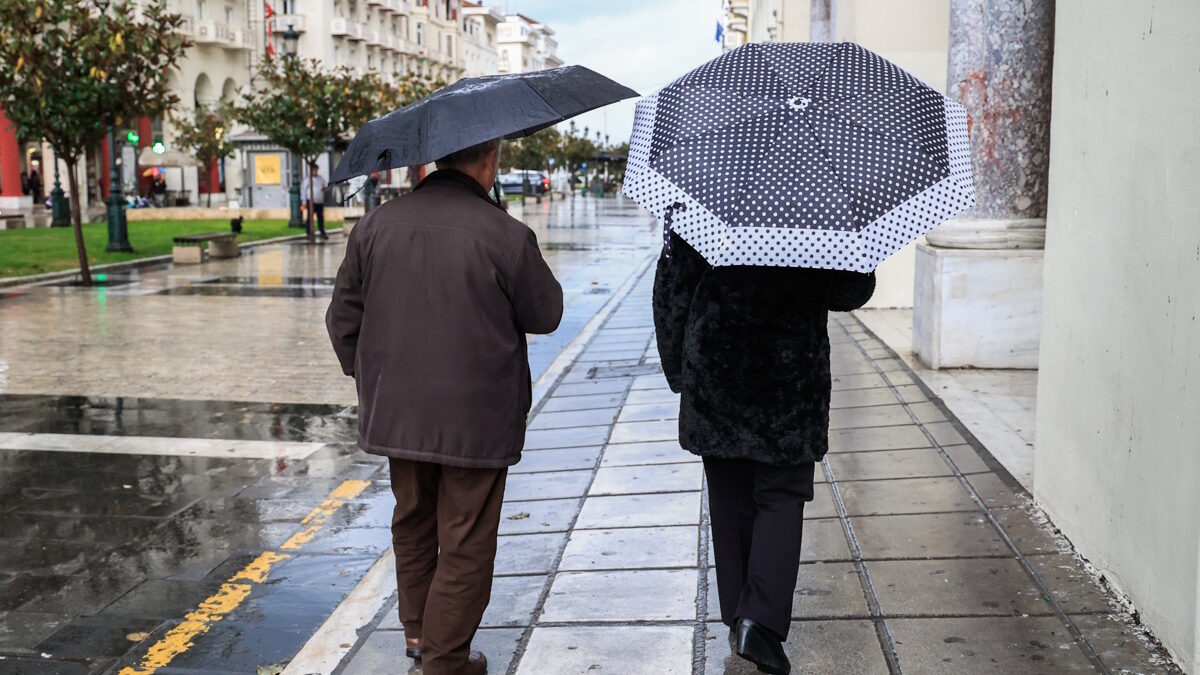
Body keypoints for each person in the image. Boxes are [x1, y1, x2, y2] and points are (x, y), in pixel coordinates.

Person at [326, 138, 563, 675]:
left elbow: (342, 320)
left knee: (412, 522)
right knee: (465, 535)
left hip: (397, 413)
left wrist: (373, 380)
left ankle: (418, 635)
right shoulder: (504, 234)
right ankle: (445, 659)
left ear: (435, 161)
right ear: (488, 161)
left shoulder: (374, 227)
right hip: (476, 420)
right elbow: (545, 312)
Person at [652, 230, 875, 675]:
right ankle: (761, 621)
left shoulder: (705, 195)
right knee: (782, 494)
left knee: (729, 495)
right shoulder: (816, 204)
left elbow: (671, 288)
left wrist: (680, 371)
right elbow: (851, 290)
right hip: (789, 376)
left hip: (716, 366)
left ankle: (740, 618)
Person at [300, 162, 328, 240]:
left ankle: (322, 232)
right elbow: (303, 191)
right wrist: (304, 202)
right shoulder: (306, 180)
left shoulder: (321, 179)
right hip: (311, 201)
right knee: (310, 217)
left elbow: (325, 186)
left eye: (316, 170)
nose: (315, 172)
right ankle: (309, 233)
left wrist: (324, 189)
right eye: (314, 170)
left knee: (320, 217)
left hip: (319, 201)